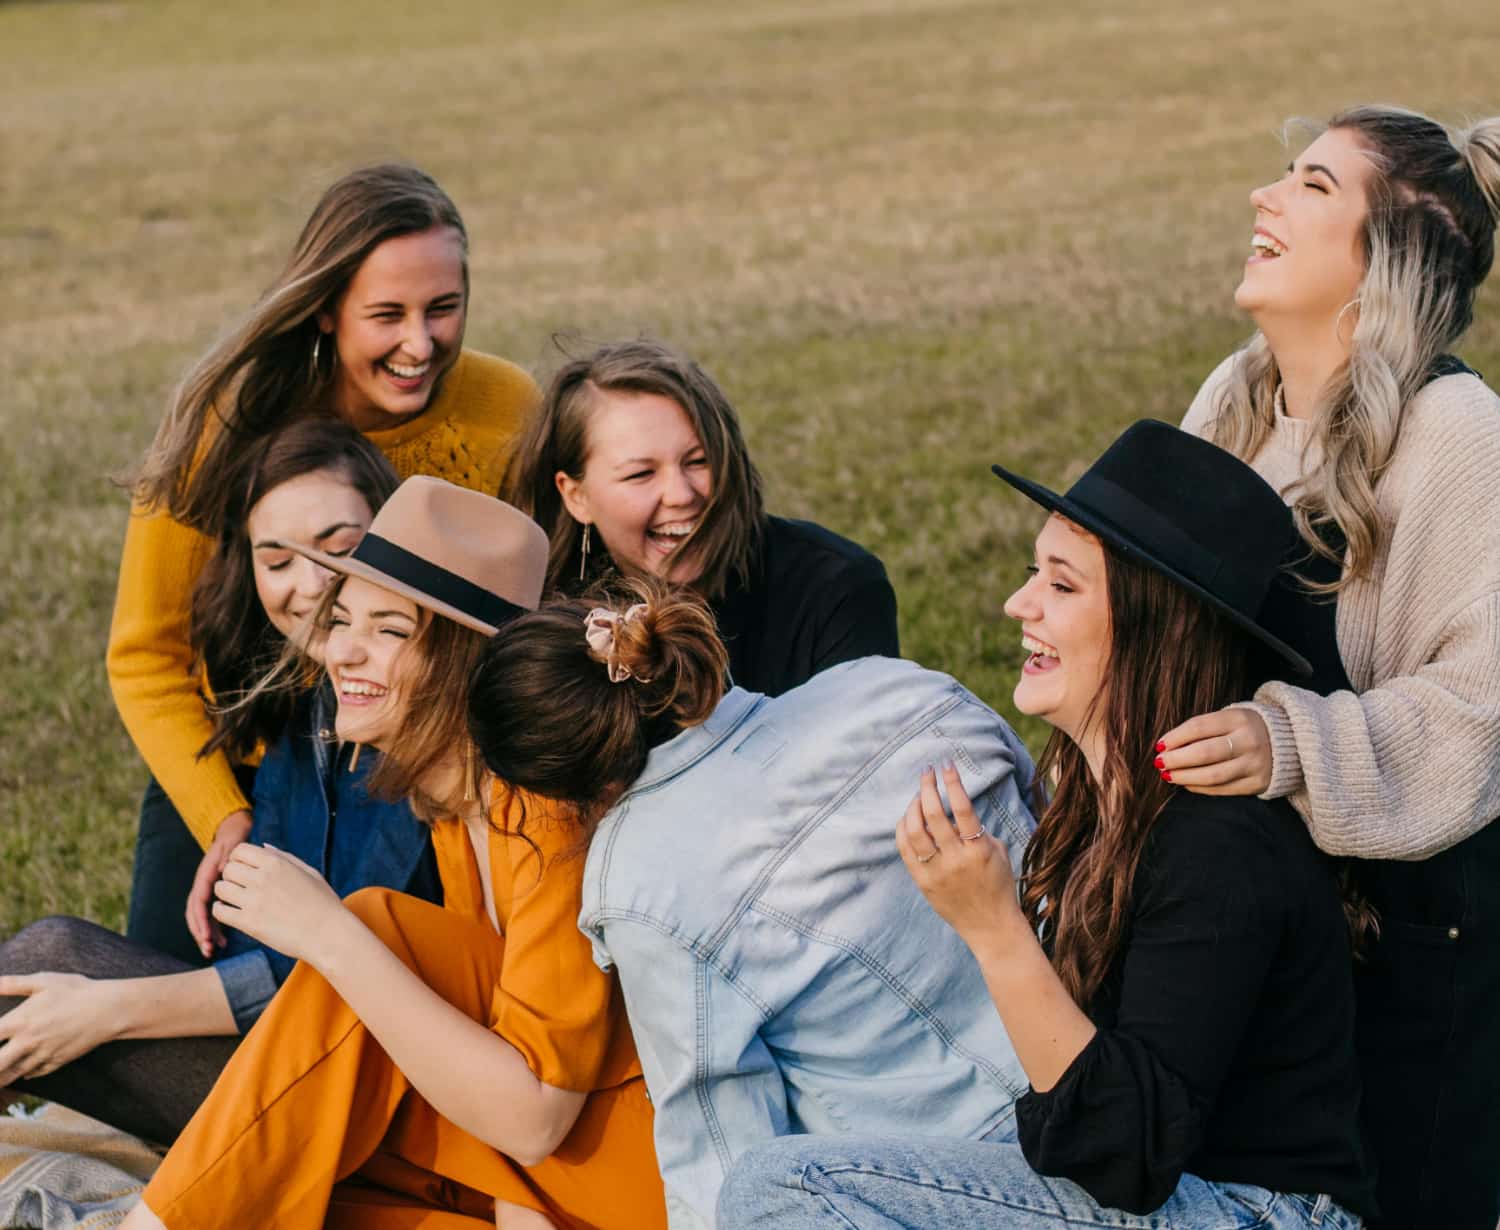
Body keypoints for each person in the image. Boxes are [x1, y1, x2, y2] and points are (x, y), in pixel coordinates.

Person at [715, 422, 1375, 1229]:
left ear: (1151, 625)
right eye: (1036, 574)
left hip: (1263, 1214)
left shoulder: (1215, 839)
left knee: (787, 1186)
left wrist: (993, 927)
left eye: (1061, 587)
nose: (1017, 604)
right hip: (1178, 1203)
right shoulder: (1098, 813)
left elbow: (1122, 1155)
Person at [119, 477, 665, 1230]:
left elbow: (538, 1117)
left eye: (390, 631)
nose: (345, 650)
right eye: (343, 620)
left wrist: (329, 934)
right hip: (538, 1180)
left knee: (376, 929)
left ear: (464, 662)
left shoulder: (545, 811)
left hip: (639, 1175)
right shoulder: (454, 804)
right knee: (301, 1187)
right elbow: (496, 1052)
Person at [1162, 106, 1500, 1229]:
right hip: (1252, 909)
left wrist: (1290, 741)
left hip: (1411, 947)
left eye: (1309, 186)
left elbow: (1482, 708)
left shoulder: (1461, 435)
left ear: (1389, 252)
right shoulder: (1236, 396)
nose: (1265, 199)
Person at [466, 579, 1037, 1227]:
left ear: (559, 788)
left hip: (951, 1189)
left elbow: (722, 1158)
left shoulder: (641, 882)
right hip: (1115, 1074)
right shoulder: (893, 686)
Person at [109, 163, 538, 966]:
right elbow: (145, 659)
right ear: (325, 313)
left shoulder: (506, 407)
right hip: (243, 758)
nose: (421, 344)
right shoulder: (227, 426)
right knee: (159, 1002)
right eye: (387, 315)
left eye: (444, 308)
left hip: (416, 761)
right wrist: (222, 820)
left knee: (374, 983)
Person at [0, 419, 439, 1145]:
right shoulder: (308, 706)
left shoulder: (411, 723)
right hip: (297, 1057)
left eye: (341, 548)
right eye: (279, 560)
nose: (312, 585)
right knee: (49, 966)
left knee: (51, 980)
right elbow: (260, 947)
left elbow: (335, 973)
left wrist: (109, 1011)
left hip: (383, 1104)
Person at [502, 338, 898, 697]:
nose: (682, 495)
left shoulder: (834, 588)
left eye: (700, 460)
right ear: (576, 496)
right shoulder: (539, 623)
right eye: (641, 474)